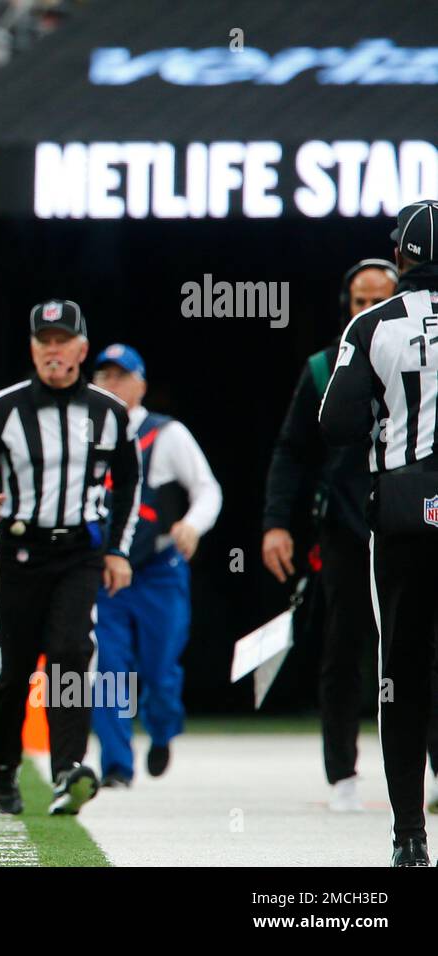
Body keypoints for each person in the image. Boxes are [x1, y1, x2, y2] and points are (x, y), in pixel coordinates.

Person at [0, 299, 141, 816]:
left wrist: (117, 550)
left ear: (81, 348)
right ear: (32, 350)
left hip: (78, 549)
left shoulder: (107, 411)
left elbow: (128, 482)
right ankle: (5, 772)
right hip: (18, 550)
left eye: (62, 342)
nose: (53, 351)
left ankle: (67, 770)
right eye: (44, 342)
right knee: (15, 666)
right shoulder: (6, 408)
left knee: (71, 652)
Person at [261, 259, 431, 814]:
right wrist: (276, 523)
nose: (369, 308)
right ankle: (343, 773)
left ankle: (434, 768)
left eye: (380, 297)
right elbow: (293, 449)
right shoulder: (325, 366)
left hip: (410, 518)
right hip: (348, 521)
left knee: (420, 646)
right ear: (347, 305)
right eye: (360, 300)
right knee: (343, 644)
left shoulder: (424, 349)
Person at [320, 199, 438, 867]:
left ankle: (409, 837)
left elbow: (335, 422)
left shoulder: (372, 324)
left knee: (402, 674)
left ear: (401, 257)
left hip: (404, 512)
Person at [88, 344, 221, 787]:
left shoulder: (167, 434)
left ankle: (162, 729)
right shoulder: (83, 436)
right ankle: (116, 765)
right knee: (107, 667)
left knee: (161, 667)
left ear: (140, 384)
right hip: (106, 573)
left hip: (158, 570)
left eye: (120, 377)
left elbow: (207, 489)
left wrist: (192, 524)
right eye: (103, 377)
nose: (111, 385)